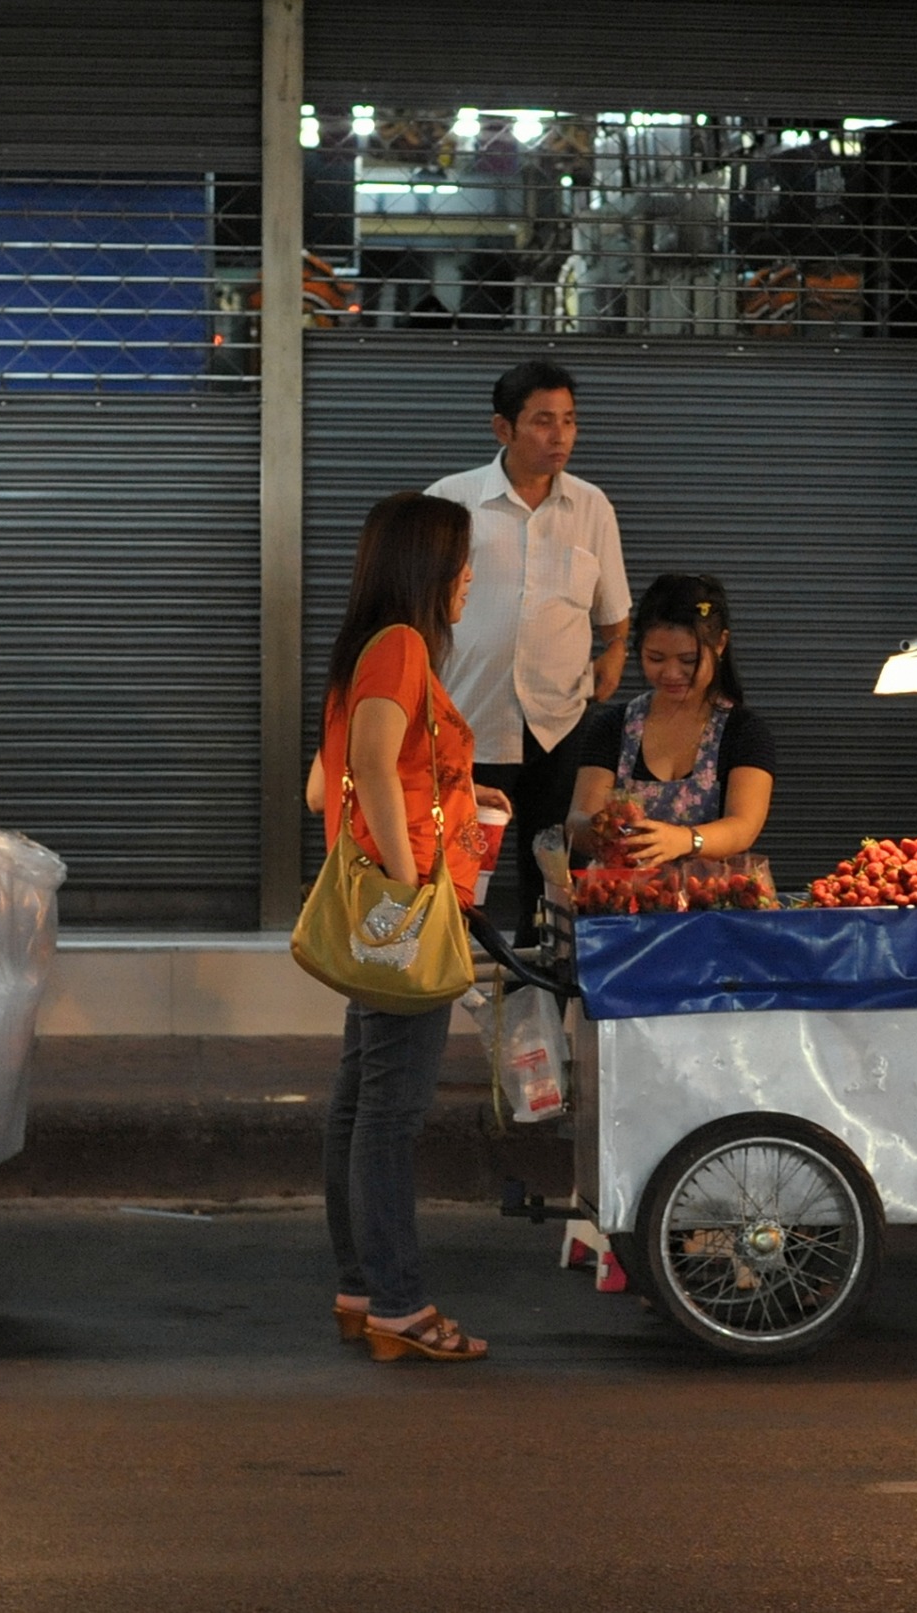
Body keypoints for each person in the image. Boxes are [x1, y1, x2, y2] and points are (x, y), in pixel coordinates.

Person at [306, 492, 511, 1364]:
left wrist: (464, 796)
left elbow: (326, 791)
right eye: (463, 562)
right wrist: (409, 883)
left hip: (389, 907)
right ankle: (398, 1303)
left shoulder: (365, 648)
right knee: (390, 1113)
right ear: (429, 568)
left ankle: (361, 1285)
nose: (470, 579)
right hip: (410, 910)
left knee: (361, 1099)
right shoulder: (402, 646)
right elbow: (365, 770)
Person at [428, 359, 630, 947]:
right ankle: (445, 979)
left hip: (558, 722)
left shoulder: (592, 507)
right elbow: (415, 612)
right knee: (460, 870)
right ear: (503, 429)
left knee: (548, 873)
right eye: (543, 421)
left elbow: (614, 617)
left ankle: (534, 1002)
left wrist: (615, 653)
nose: (560, 435)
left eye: (569, 421)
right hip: (469, 720)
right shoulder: (451, 502)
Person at [570, 573, 776, 868]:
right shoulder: (613, 726)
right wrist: (599, 828)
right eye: (655, 658)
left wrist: (683, 840)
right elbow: (577, 819)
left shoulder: (744, 731)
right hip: (621, 899)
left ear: (720, 645)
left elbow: (743, 826)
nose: (670, 673)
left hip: (709, 901)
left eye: (688, 660)